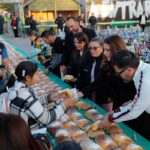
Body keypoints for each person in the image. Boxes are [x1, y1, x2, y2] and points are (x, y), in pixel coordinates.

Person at [7, 61, 76, 130]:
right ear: (28, 77)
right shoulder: (26, 96)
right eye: (36, 74)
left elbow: (33, 102)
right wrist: (64, 105)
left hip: (17, 127)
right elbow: (46, 118)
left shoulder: (17, 87)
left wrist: (50, 98)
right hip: (27, 133)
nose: (38, 76)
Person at [101, 50, 150, 140]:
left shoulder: (145, 80)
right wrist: (118, 110)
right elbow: (137, 101)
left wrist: (110, 119)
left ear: (129, 70)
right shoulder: (141, 70)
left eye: (119, 73)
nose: (119, 76)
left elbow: (134, 111)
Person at [81, 35, 136, 111]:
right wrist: (82, 93)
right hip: (117, 105)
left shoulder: (129, 64)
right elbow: (98, 82)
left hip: (131, 109)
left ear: (117, 49)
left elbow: (133, 93)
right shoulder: (107, 63)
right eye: (104, 50)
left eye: (108, 50)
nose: (105, 53)